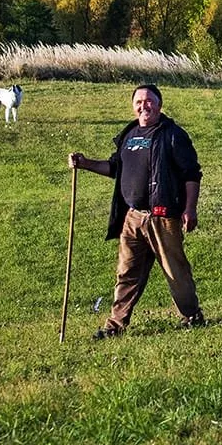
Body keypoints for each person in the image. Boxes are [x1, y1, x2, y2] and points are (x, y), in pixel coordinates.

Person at [68, 83, 205, 339]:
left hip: (163, 217)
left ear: (159, 104)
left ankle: (192, 316)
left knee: (175, 271)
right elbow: (115, 168)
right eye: (139, 102)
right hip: (132, 217)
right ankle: (114, 326)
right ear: (133, 107)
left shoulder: (172, 134)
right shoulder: (129, 134)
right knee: (126, 272)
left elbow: (191, 173)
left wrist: (190, 208)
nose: (144, 106)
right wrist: (85, 163)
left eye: (149, 101)